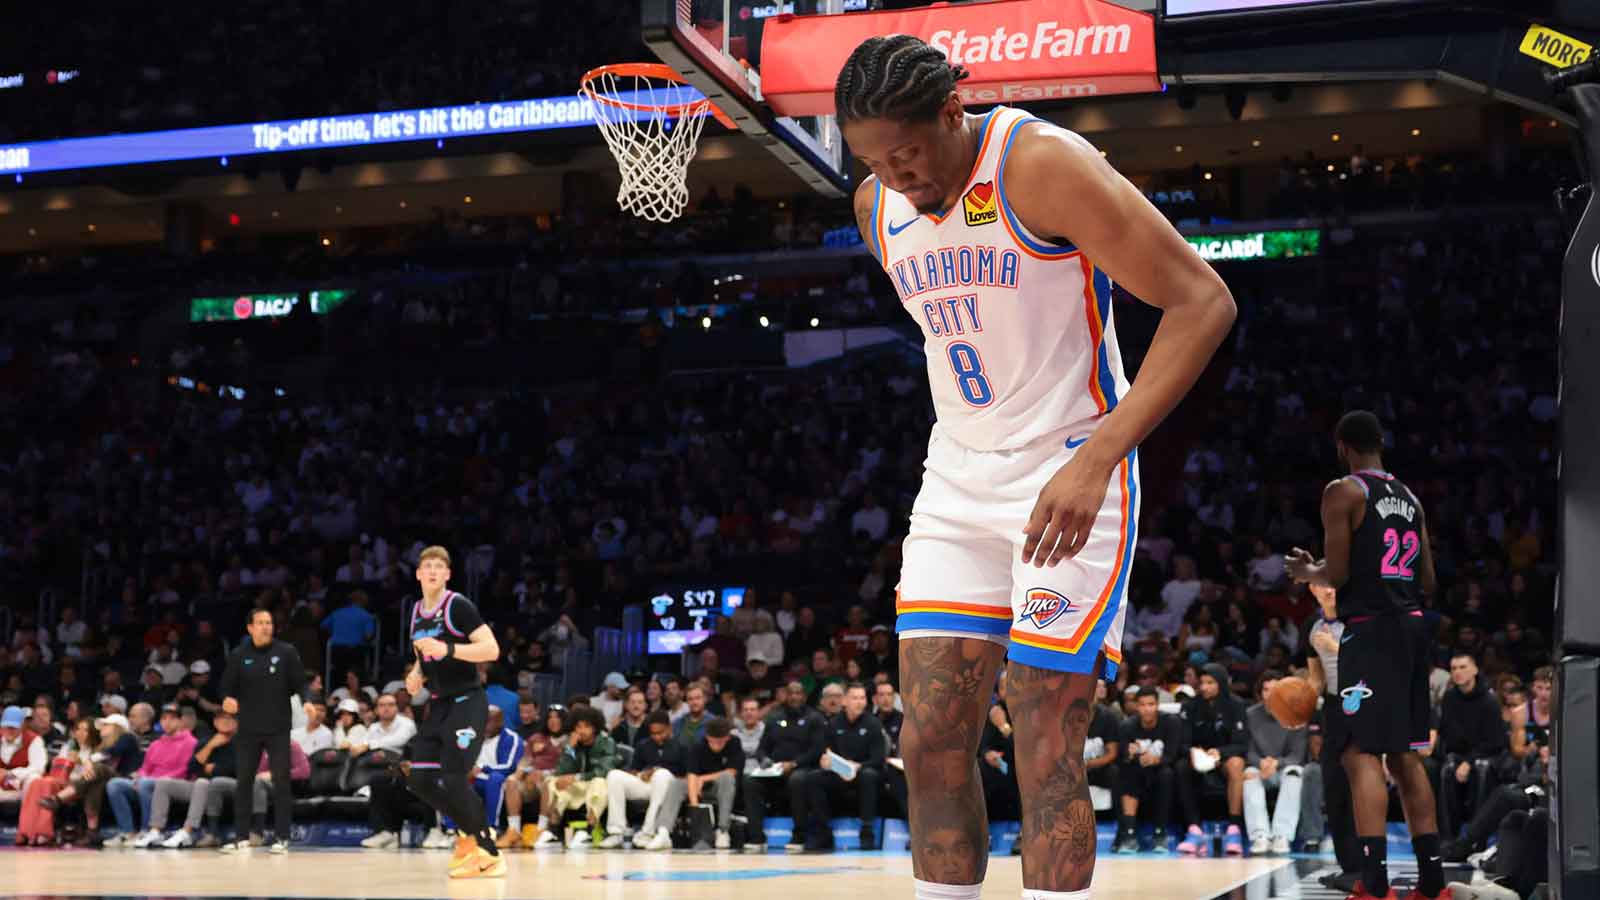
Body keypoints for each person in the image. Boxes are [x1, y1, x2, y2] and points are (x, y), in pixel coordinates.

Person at [836, 29, 1235, 900]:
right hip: (957, 479)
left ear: (953, 110)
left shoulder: (1040, 164)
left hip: (1070, 469)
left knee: (1044, 732)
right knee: (928, 741)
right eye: (873, 161)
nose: (895, 175)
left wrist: (1099, 457)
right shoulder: (876, 208)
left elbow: (1203, 301)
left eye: (906, 153)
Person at [1287, 410, 1447, 900]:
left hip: (1371, 630)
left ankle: (1373, 884)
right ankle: (1433, 883)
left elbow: (1336, 576)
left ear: (1342, 447)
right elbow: (1428, 580)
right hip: (1414, 627)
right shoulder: (1410, 498)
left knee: (1359, 753)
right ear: (1380, 443)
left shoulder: (1343, 491)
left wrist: (1307, 573)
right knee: (1405, 754)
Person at [400, 545, 506, 878]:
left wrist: (447, 649)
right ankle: (469, 832)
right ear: (418, 574)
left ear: (447, 574)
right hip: (439, 703)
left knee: (454, 777)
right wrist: (416, 674)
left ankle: (489, 852)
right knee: (419, 780)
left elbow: (491, 649)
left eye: (439, 566)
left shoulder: (458, 605)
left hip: (468, 701)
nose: (432, 571)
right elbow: (423, 654)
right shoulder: (416, 611)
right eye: (427, 566)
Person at [218, 608, 307, 855]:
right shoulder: (239, 655)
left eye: (269, 622)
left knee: (281, 782)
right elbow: (225, 687)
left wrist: (308, 700)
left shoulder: (286, 652)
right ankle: (241, 838)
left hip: (278, 728)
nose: (266, 627)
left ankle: (282, 837)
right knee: (244, 783)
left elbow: (300, 683)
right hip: (248, 729)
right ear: (250, 628)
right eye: (261, 623)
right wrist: (226, 700)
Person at [1304, 583, 1361, 890]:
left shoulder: (1359, 619)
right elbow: (1316, 679)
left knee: (1361, 786)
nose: (1329, 591)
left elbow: (1373, 664)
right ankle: (1348, 867)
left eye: (1333, 584)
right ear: (1313, 589)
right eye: (1322, 585)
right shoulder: (1311, 627)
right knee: (1334, 786)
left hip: (1364, 702)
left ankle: (1369, 865)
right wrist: (1299, 709)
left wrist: (1336, 648)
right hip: (1334, 708)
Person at [743, 680, 827, 852]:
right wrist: (764, 759)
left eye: (798, 693)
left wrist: (794, 763)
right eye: (790, 693)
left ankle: (799, 836)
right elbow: (762, 748)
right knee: (750, 782)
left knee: (797, 780)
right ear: (785, 696)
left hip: (804, 768)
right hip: (775, 770)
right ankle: (756, 837)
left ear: (804, 696)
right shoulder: (774, 718)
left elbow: (817, 750)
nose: (794, 697)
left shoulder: (814, 718)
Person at [1175, 663, 1248, 857]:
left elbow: (1242, 744)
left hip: (1224, 757)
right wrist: (1194, 752)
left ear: (1221, 683)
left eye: (1210, 683)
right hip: (1197, 757)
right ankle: (1194, 830)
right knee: (1181, 766)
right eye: (1202, 683)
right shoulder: (1190, 706)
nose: (1204, 687)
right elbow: (1181, 743)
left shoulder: (1237, 705)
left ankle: (1234, 829)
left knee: (1237, 763)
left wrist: (1220, 753)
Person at [1434, 652, 1507, 840]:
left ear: (1474, 670)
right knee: (1448, 768)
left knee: (1482, 768)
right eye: (1454, 668)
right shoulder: (1449, 698)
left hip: (1488, 754)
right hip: (1461, 753)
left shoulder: (1489, 700)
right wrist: (1460, 759)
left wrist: (1468, 762)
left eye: (1463, 667)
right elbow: (1448, 735)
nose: (1458, 672)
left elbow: (1495, 742)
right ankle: (1448, 837)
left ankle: (1476, 836)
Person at [809, 682, 887, 851]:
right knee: (814, 778)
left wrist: (858, 766)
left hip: (863, 772)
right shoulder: (833, 724)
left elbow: (878, 758)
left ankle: (867, 832)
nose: (859, 702)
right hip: (839, 772)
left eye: (862, 698)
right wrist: (826, 762)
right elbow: (826, 752)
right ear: (844, 701)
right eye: (854, 698)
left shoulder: (873, 724)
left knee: (869, 775)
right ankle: (823, 833)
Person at [1240, 670, 1308, 856]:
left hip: (1284, 767)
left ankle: (1282, 835)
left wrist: (1276, 763)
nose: (1270, 694)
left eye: (1275, 689)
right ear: (1260, 692)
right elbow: (1248, 749)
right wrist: (1261, 763)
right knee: (1249, 775)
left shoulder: (1297, 714)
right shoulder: (1250, 715)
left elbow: (1297, 754)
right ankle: (1260, 835)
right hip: (1260, 767)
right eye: (1266, 690)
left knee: (1294, 773)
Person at [532, 705, 618, 849]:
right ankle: (553, 831)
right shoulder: (573, 744)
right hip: (580, 787)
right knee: (552, 781)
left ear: (595, 727)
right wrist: (570, 748)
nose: (582, 731)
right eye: (578, 727)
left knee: (599, 783)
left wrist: (576, 777)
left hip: (599, 786)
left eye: (587, 727)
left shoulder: (606, 742)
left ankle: (589, 831)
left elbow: (604, 771)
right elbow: (561, 771)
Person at [600, 710, 685, 850]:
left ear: (669, 728)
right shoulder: (643, 745)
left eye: (661, 733)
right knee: (614, 775)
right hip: (647, 785)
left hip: (670, 787)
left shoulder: (681, 745)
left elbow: (687, 777)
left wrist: (656, 770)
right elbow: (634, 770)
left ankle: (648, 832)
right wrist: (641, 774)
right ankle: (617, 832)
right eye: (653, 733)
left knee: (661, 774)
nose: (657, 737)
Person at [1111, 687, 1181, 854]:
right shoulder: (1127, 726)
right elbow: (1122, 758)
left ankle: (1160, 833)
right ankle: (1129, 834)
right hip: (1137, 771)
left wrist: (1156, 759)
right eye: (1142, 705)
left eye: (1151, 704)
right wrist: (1130, 754)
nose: (1147, 709)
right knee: (1125, 774)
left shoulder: (1171, 722)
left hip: (1161, 770)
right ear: (1137, 706)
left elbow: (1173, 754)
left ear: (1157, 705)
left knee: (1166, 774)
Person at [119, 704, 198, 847]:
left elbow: (184, 770)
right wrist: (140, 776)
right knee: (115, 785)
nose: (167, 722)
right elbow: (145, 768)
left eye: (172, 719)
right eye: (164, 719)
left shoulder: (191, 742)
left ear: (181, 721)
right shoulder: (156, 743)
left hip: (174, 783)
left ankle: (147, 830)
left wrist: (150, 779)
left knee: (146, 784)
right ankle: (127, 832)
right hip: (149, 781)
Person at [687, 716, 745, 850]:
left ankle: (723, 830)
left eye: (720, 742)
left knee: (727, 777)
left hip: (721, 787)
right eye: (713, 741)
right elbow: (692, 775)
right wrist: (695, 806)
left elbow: (732, 771)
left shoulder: (735, 743)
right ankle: (663, 830)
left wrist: (703, 778)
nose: (716, 746)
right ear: (707, 737)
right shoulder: (698, 745)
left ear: (727, 738)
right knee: (676, 785)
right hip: (700, 787)